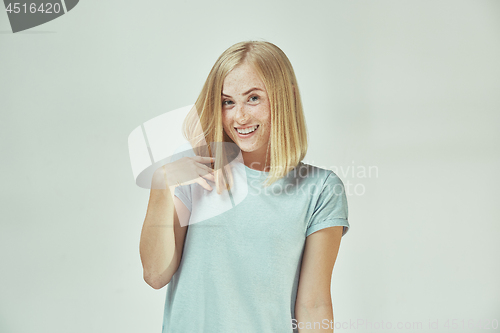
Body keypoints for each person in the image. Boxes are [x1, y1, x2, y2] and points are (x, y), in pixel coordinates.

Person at [139, 40, 350, 333]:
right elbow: (154, 274)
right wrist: (161, 184)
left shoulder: (320, 189)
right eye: (227, 101)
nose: (240, 117)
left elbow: (313, 306)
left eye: (253, 98)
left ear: (283, 97)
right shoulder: (196, 174)